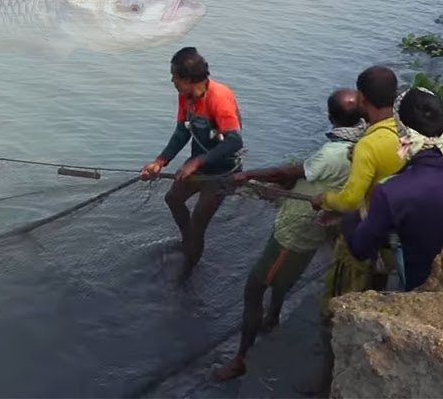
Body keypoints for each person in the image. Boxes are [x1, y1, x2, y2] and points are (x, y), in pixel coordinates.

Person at [210, 89, 364, 383]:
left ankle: (240, 359)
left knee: (255, 288)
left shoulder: (332, 153)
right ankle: (273, 316)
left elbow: (289, 170)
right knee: (282, 279)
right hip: (314, 226)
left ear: (331, 117)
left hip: (295, 232)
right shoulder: (362, 144)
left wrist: (245, 175)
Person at [303, 65, 402, 397]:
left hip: (363, 240)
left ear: (362, 99)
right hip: (392, 240)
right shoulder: (404, 133)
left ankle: (329, 379)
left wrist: (324, 200)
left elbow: (350, 198)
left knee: (334, 308)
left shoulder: (369, 145)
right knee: (374, 297)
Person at [342, 88, 443, 290]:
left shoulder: (391, 192)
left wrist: (350, 215)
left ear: (401, 130)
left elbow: (360, 248)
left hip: (421, 285)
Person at [140, 47, 245, 275]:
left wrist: (196, 163)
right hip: (199, 163)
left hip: (223, 171)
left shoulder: (219, 97)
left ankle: (188, 270)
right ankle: (189, 243)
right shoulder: (185, 97)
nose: (172, 81)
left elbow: (234, 141)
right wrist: (160, 162)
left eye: (174, 76)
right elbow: (182, 132)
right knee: (173, 199)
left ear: (187, 79)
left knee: (198, 222)